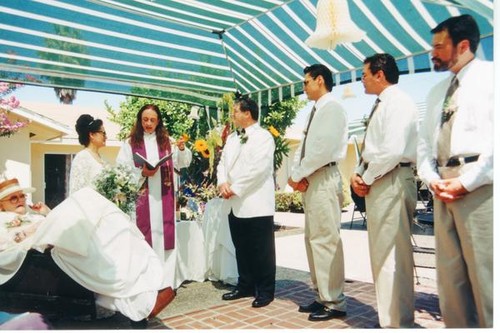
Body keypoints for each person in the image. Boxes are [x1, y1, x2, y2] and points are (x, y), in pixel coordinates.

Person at [0, 178, 175, 322]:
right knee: (85, 198)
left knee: (102, 226)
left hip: (52, 242)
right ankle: (141, 297)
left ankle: (143, 289)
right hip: (41, 252)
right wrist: (31, 229)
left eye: (21, 196)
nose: (20, 200)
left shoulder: (31, 215)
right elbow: (10, 244)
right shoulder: (2, 220)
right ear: (1, 205)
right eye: (13, 198)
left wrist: (46, 213)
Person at [417, 14, 493, 328]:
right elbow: (424, 146)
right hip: (442, 191)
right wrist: (433, 180)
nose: (432, 53)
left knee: (488, 282)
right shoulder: (436, 92)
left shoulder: (492, 78)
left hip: (481, 190)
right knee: (450, 285)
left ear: (463, 45)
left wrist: (467, 182)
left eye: (438, 46)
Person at [350, 53, 418, 328]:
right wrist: (357, 172)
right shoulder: (382, 104)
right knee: (382, 254)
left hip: (391, 179)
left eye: (364, 74)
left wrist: (365, 177)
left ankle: (396, 322)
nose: (361, 80)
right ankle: (390, 319)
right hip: (380, 180)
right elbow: (372, 148)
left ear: (379, 74)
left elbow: (391, 150)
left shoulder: (398, 102)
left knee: (392, 255)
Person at [287, 64, 348, 321]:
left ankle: (334, 301)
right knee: (313, 239)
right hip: (314, 179)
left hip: (322, 176)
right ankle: (322, 295)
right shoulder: (318, 109)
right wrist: (299, 175)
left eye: (305, 82)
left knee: (325, 240)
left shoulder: (331, 108)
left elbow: (321, 150)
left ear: (319, 80)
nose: (303, 87)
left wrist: (297, 175)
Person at [116, 104, 192, 288]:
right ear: (139, 120)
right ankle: (145, 282)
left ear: (158, 122)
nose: (148, 123)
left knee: (163, 238)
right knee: (144, 239)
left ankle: (165, 282)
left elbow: (183, 163)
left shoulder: (167, 141)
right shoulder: (129, 144)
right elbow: (121, 172)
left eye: (152, 120)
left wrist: (181, 149)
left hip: (164, 198)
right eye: (145, 119)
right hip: (143, 200)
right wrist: (142, 174)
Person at [216, 97, 276, 308]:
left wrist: (235, 188)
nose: (233, 115)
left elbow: (258, 169)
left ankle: (266, 291)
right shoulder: (232, 138)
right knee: (241, 247)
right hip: (234, 204)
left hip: (256, 203)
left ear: (247, 113)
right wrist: (222, 182)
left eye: (235, 111)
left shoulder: (264, 137)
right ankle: (245, 285)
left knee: (262, 250)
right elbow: (222, 163)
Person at [69, 114, 108, 194]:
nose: (106, 137)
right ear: (92, 135)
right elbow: (77, 191)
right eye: (103, 133)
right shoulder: (82, 157)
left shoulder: (100, 158)